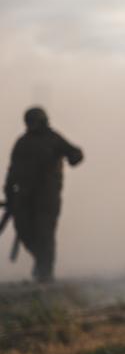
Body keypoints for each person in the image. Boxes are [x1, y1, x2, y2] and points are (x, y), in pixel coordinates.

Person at [3, 107, 83, 282]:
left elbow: (75, 153)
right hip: (24, 198)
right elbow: (13, 170)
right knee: (24, 231)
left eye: (35, 122)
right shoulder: (22, 142)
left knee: (44, 234)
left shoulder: (53, 139)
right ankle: (42, 262)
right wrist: (9, 194)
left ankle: (45, 273)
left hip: (47, 198)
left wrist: (73, 158)